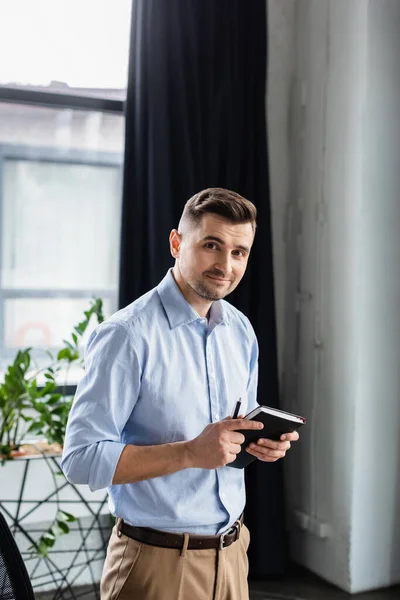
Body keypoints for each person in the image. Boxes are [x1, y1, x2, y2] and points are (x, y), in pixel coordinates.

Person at [61, 188, 299, 600]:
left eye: (239, 252)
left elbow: (232, 432)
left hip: (233, 556)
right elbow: (80, 459)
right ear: (176, 243)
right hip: (156, 566)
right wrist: (190, 452)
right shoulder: (126, 336)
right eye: (212, 245)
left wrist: (260, 443)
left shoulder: (240, 330)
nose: (226, 265)